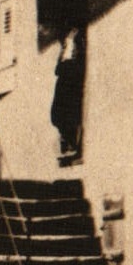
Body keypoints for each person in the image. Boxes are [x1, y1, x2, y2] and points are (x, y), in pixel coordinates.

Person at [50, 27, 86, 164]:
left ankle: (71, 146)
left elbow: (78, 56)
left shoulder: (76, 35)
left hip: (70, 75)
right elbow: (58, 69)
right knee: (58, 114)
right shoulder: (67, 40)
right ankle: (68, 145)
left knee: (66, 114)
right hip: (65, 76)